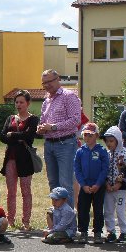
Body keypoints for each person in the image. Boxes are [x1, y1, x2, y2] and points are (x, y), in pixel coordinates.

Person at [39, 69, 82, 206]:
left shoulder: (69, 96)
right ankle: (58, 215)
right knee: (53, 183)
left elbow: (76, 120)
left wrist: (53, 127)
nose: (47, 85)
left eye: (49, 81)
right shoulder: (46, 100)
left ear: (58, 79)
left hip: (66, 144)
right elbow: (42, 121)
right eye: (44, 83)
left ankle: (68, 217)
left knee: (65, 183)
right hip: (49, 144)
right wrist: (40, 128)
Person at [0, 90, 40, 231]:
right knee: (11, 192)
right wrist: (17, 136)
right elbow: (2, 137)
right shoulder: (10, 118)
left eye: (21, 102)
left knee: (26, 191)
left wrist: (12, 134)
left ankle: (26, 221)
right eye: (16, 102)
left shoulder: (33, 119)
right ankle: (10, 220)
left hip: (25, 160)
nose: (18, 104)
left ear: (28, 103)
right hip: (10, 158)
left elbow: (29, 136)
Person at [73, 123, 109, 244]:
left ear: (97, 136)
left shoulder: (102, 151)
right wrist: (83, 185)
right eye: (85, 135)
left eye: (90, 135)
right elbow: (77, 169)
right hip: (85, 186)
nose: (87, 138)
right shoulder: (80, 151)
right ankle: (83, 232)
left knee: (98, 209)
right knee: (83, 209)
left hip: (98, 186)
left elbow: (105, 169)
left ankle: (97, 232)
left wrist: (98, 184)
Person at [101, 126, 126, 243]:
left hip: (120, 189)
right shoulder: (106, 154)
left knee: (120, 210)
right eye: (107, 141)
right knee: (108, 210)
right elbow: (104, 170)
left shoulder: (124, 154)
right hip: (108, 188)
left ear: (118, 140)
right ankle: (111, 232)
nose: (109, 143)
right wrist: (106, 183)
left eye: (111, 141)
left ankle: (124, 232)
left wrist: (119, 183)